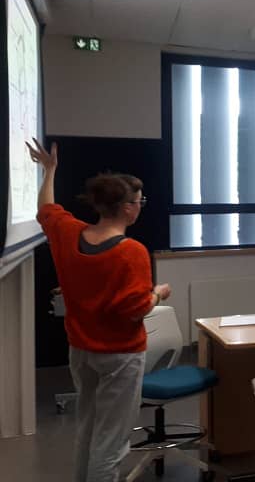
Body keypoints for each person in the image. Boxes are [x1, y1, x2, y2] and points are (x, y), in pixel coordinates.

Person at [28, 139, 172, 482]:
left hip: (81, 351)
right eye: (140, 201)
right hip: (120, 357)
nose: (141, 206)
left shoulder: (68, 232)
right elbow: (136, 311)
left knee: (88, 430)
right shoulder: (131, 252)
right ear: (125, 208)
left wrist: (49, 171)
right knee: (111, 442)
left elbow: (45, 208)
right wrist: (158, 293)